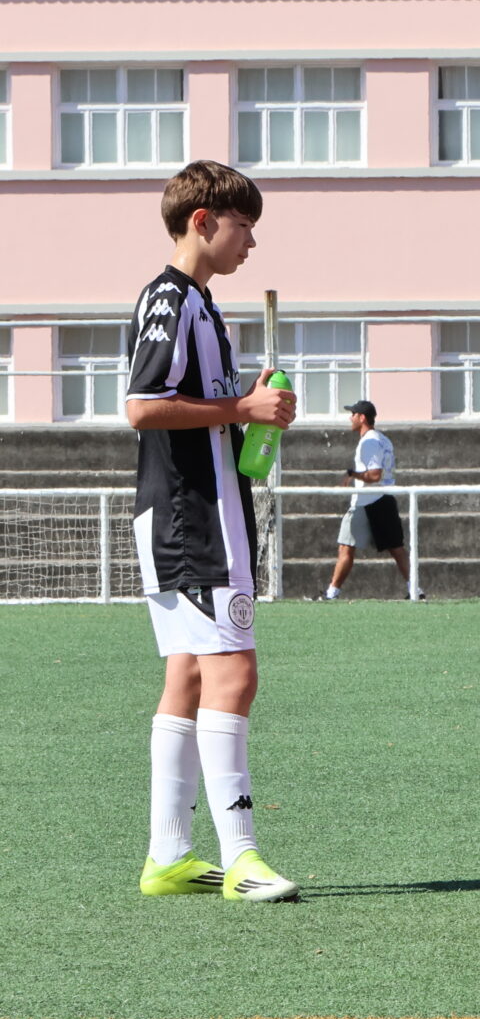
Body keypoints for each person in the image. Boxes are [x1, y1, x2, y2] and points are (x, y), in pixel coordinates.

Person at [129, 161, 303, 904]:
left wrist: (251, 406)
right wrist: (240, 410)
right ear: (202, 221)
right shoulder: (172, 298)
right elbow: (143, 405)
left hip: (184, 515)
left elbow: (196, 408)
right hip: (193, 519)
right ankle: (242, 857)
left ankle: (168, 856)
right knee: (233, 673)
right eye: (243, 226)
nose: (251, 243)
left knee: (190, 676)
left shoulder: (197, 302)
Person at [317, 400, 416, 602]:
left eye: (353, 414)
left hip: (367, 501)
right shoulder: (382, 439)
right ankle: (415, 589)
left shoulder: (369, 442)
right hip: (384, 498)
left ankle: (332, 593)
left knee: (346, 547)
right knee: (397, 549)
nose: (350, 418)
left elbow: (374, 475)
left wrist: (352, 473)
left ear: (362, 418)